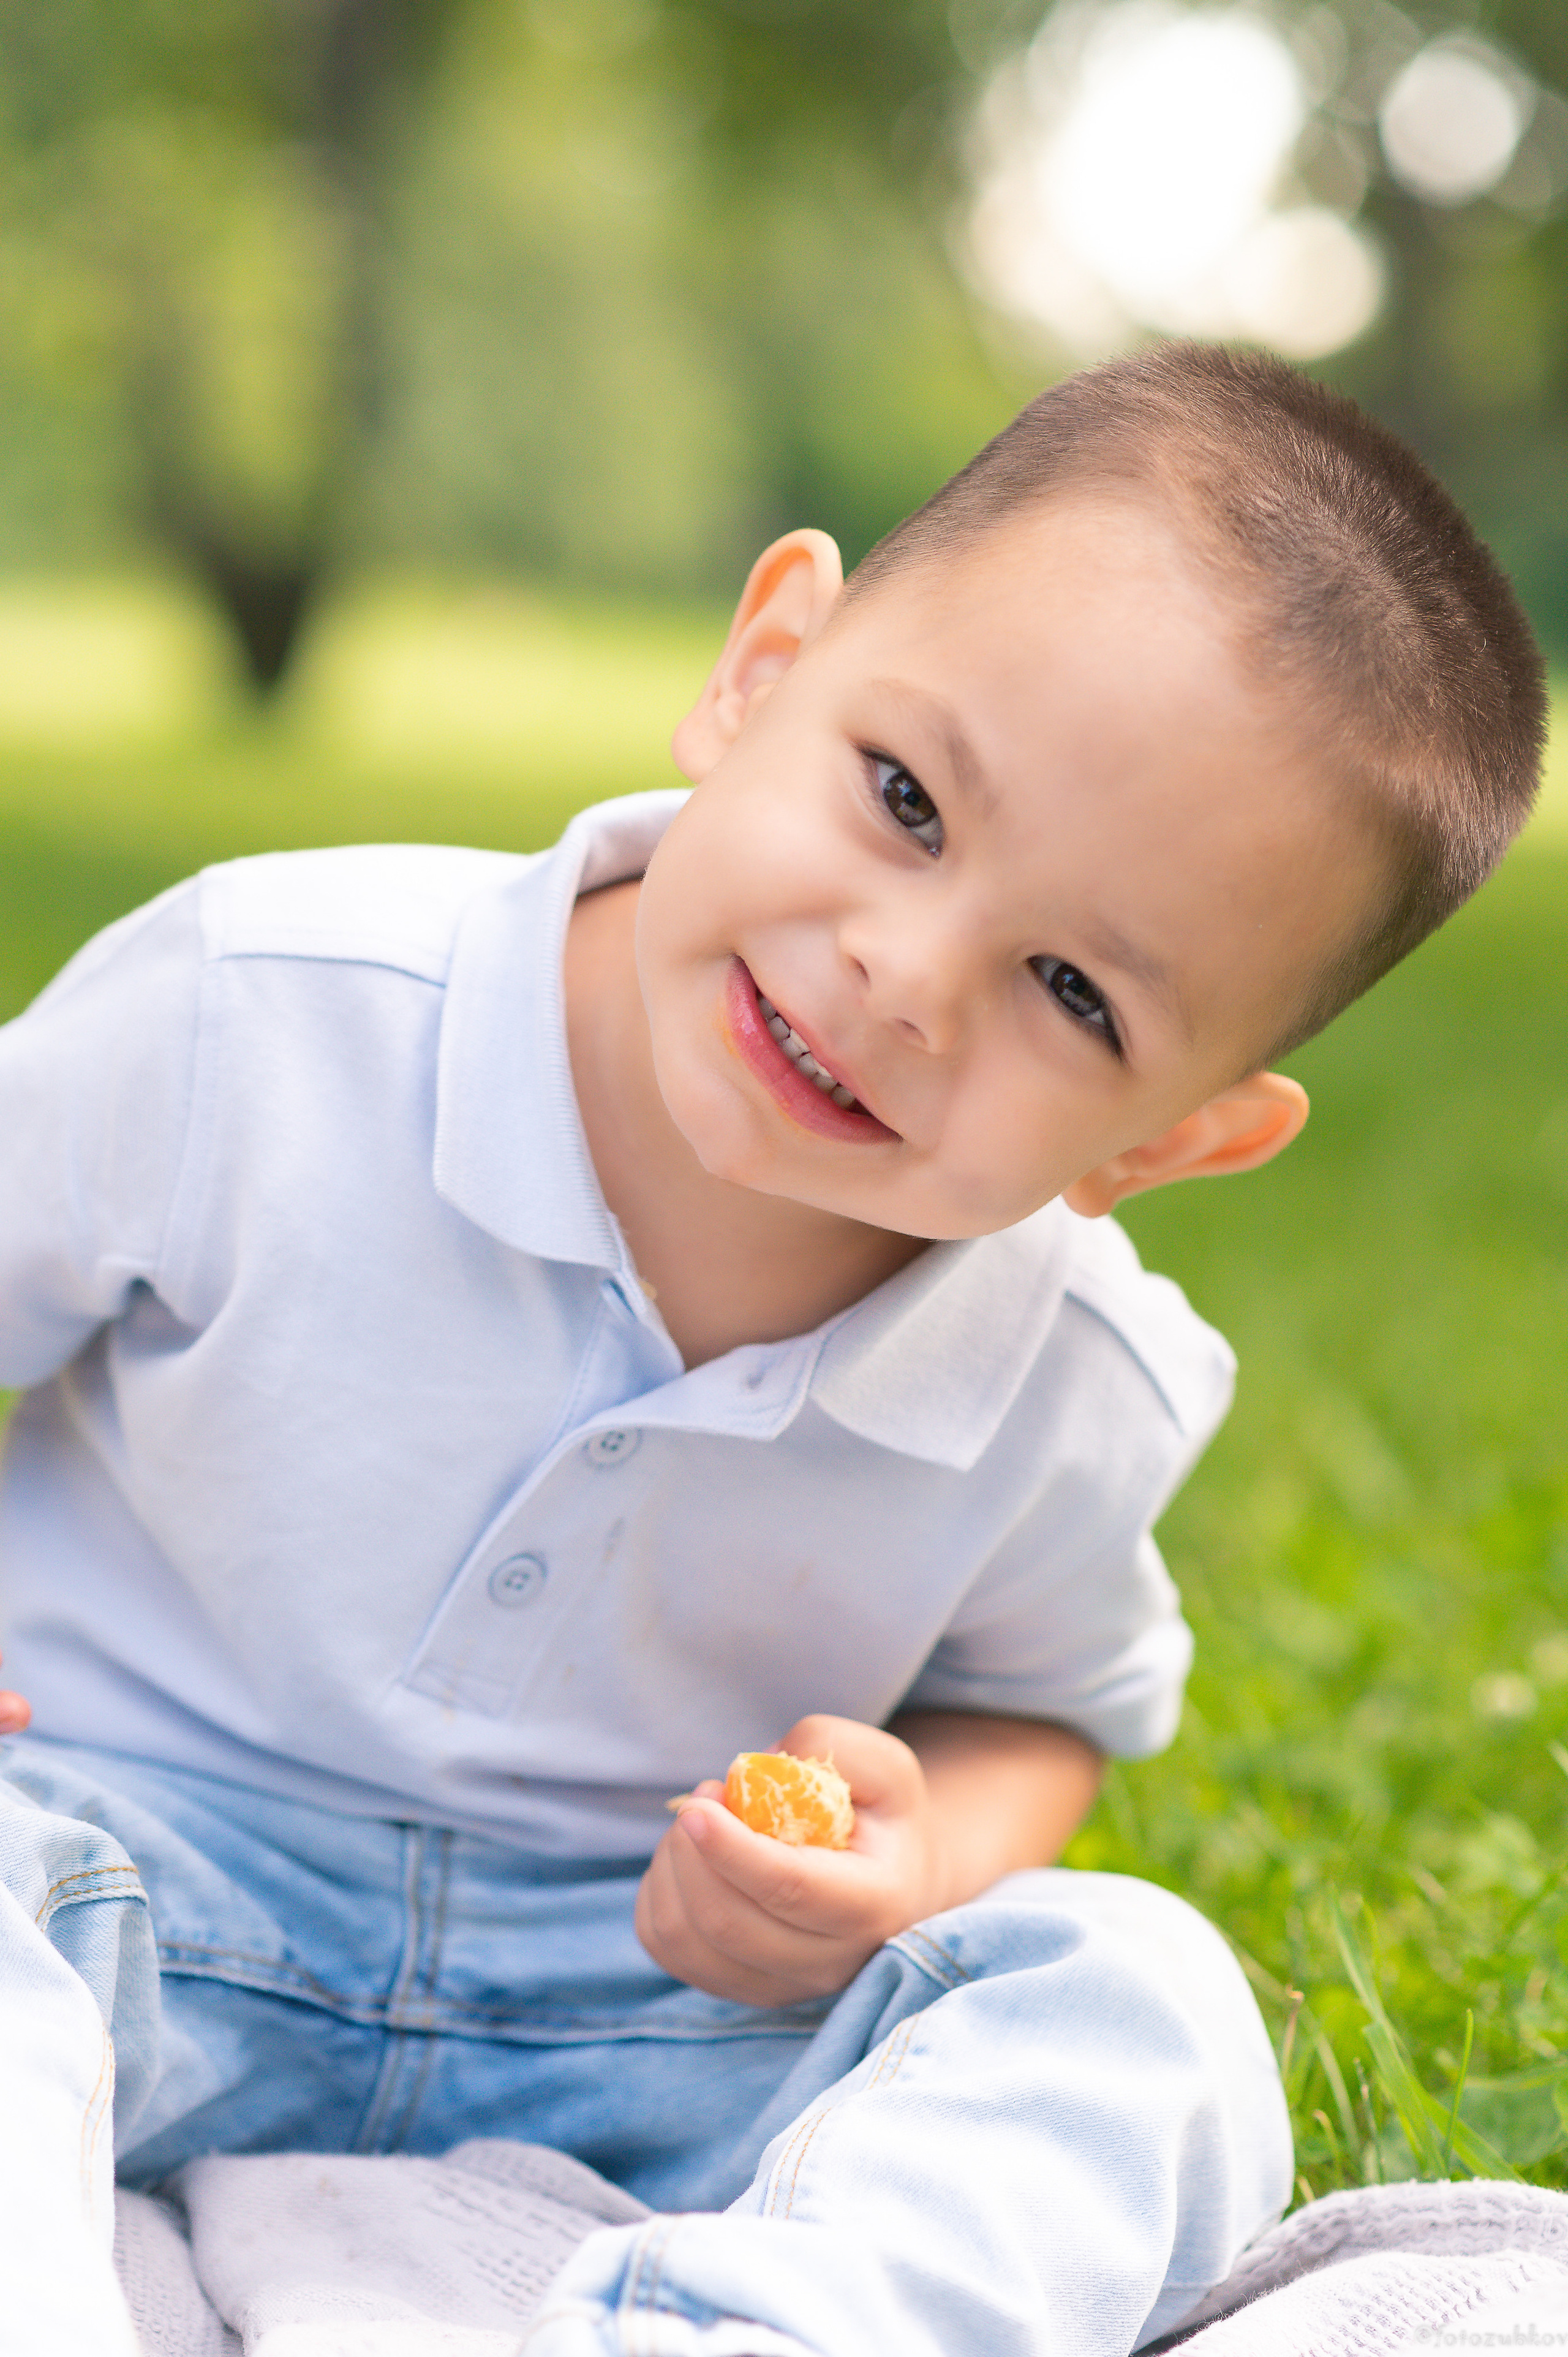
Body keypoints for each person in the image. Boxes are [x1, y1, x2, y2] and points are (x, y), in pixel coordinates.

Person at [0, 343, 1546, 2357]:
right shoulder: (259, 1020)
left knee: (1137, 1992)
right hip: (116, 1881)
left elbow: (1047, 1712)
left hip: (635, 2015)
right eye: (904, 798)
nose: (905, 976)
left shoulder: (1068, 1378)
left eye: (1073, 990)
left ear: (1168, 1141)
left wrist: (909, 1861)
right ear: (762, 668)